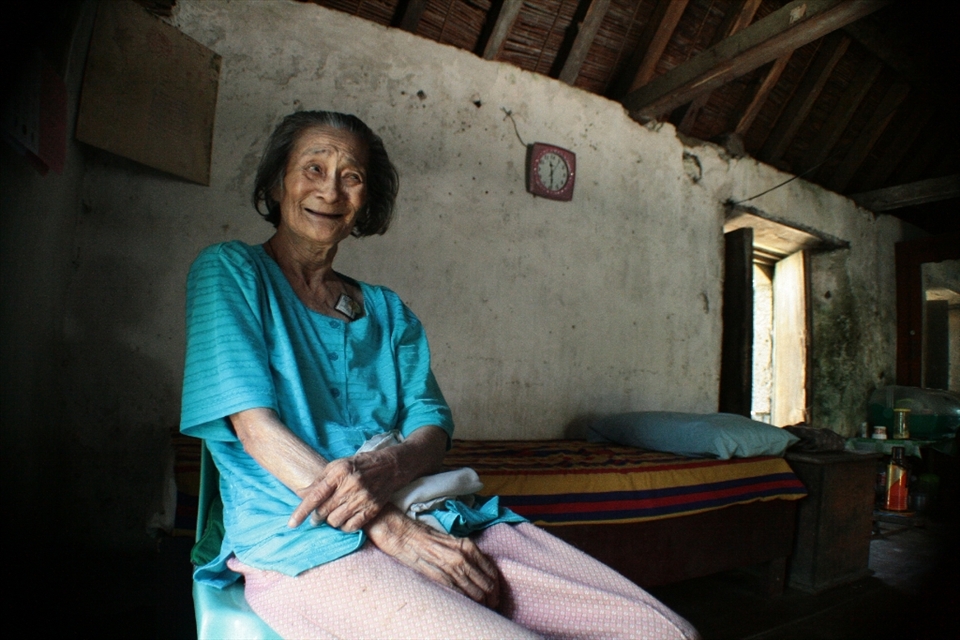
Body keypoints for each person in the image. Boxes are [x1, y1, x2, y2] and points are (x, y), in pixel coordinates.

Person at [180, 110, 699, 639]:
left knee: (666, 631)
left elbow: (431, 425)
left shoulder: (387, 310)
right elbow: (253, 427)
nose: (331, 191)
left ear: (364, 203)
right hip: (301, 541)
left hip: (437, 510)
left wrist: (390, 465)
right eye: (313, 168)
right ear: (277, 182)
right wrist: (392, 530)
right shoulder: (231, 271)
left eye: (352, 176)